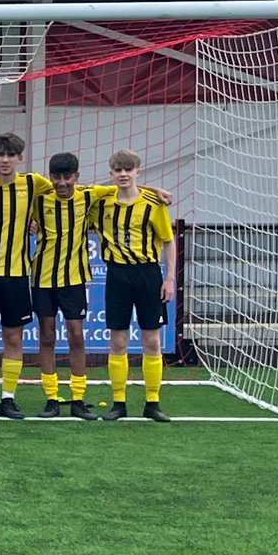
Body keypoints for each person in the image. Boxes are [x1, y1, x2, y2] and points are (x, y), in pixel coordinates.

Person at [30, 152, 120, 420]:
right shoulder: (39, 198)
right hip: (42, 278)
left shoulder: (89, 195)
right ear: (50, 177)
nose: (61, 183)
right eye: (56, 177)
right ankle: (51, 398)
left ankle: (78, 398)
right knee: (46, 336)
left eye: (67, 177)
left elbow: (125, 185)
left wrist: (158, 191)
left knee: (76, 336)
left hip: (74, 279)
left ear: (76, 177)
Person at [0, 132, 53, 420]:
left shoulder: (33, 184)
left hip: (17, 274)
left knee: (14, 339)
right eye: (0, 155)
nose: (5, 160)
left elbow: (73, 189)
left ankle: (8, 398)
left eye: (11, 155)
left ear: (20, 158)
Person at [95, 150, 177, 422]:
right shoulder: (102, 202)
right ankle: (118, 402)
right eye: (118, 170)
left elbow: (168, 241)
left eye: (128, 170)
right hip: (117, 274)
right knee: (117, 340)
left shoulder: (154, 205)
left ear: (137, 172)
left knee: (151, 340)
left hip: (148, 274)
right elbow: (73, 190)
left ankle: (152, 402)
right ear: (110, 174)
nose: (123, 174)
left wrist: (169, 278)